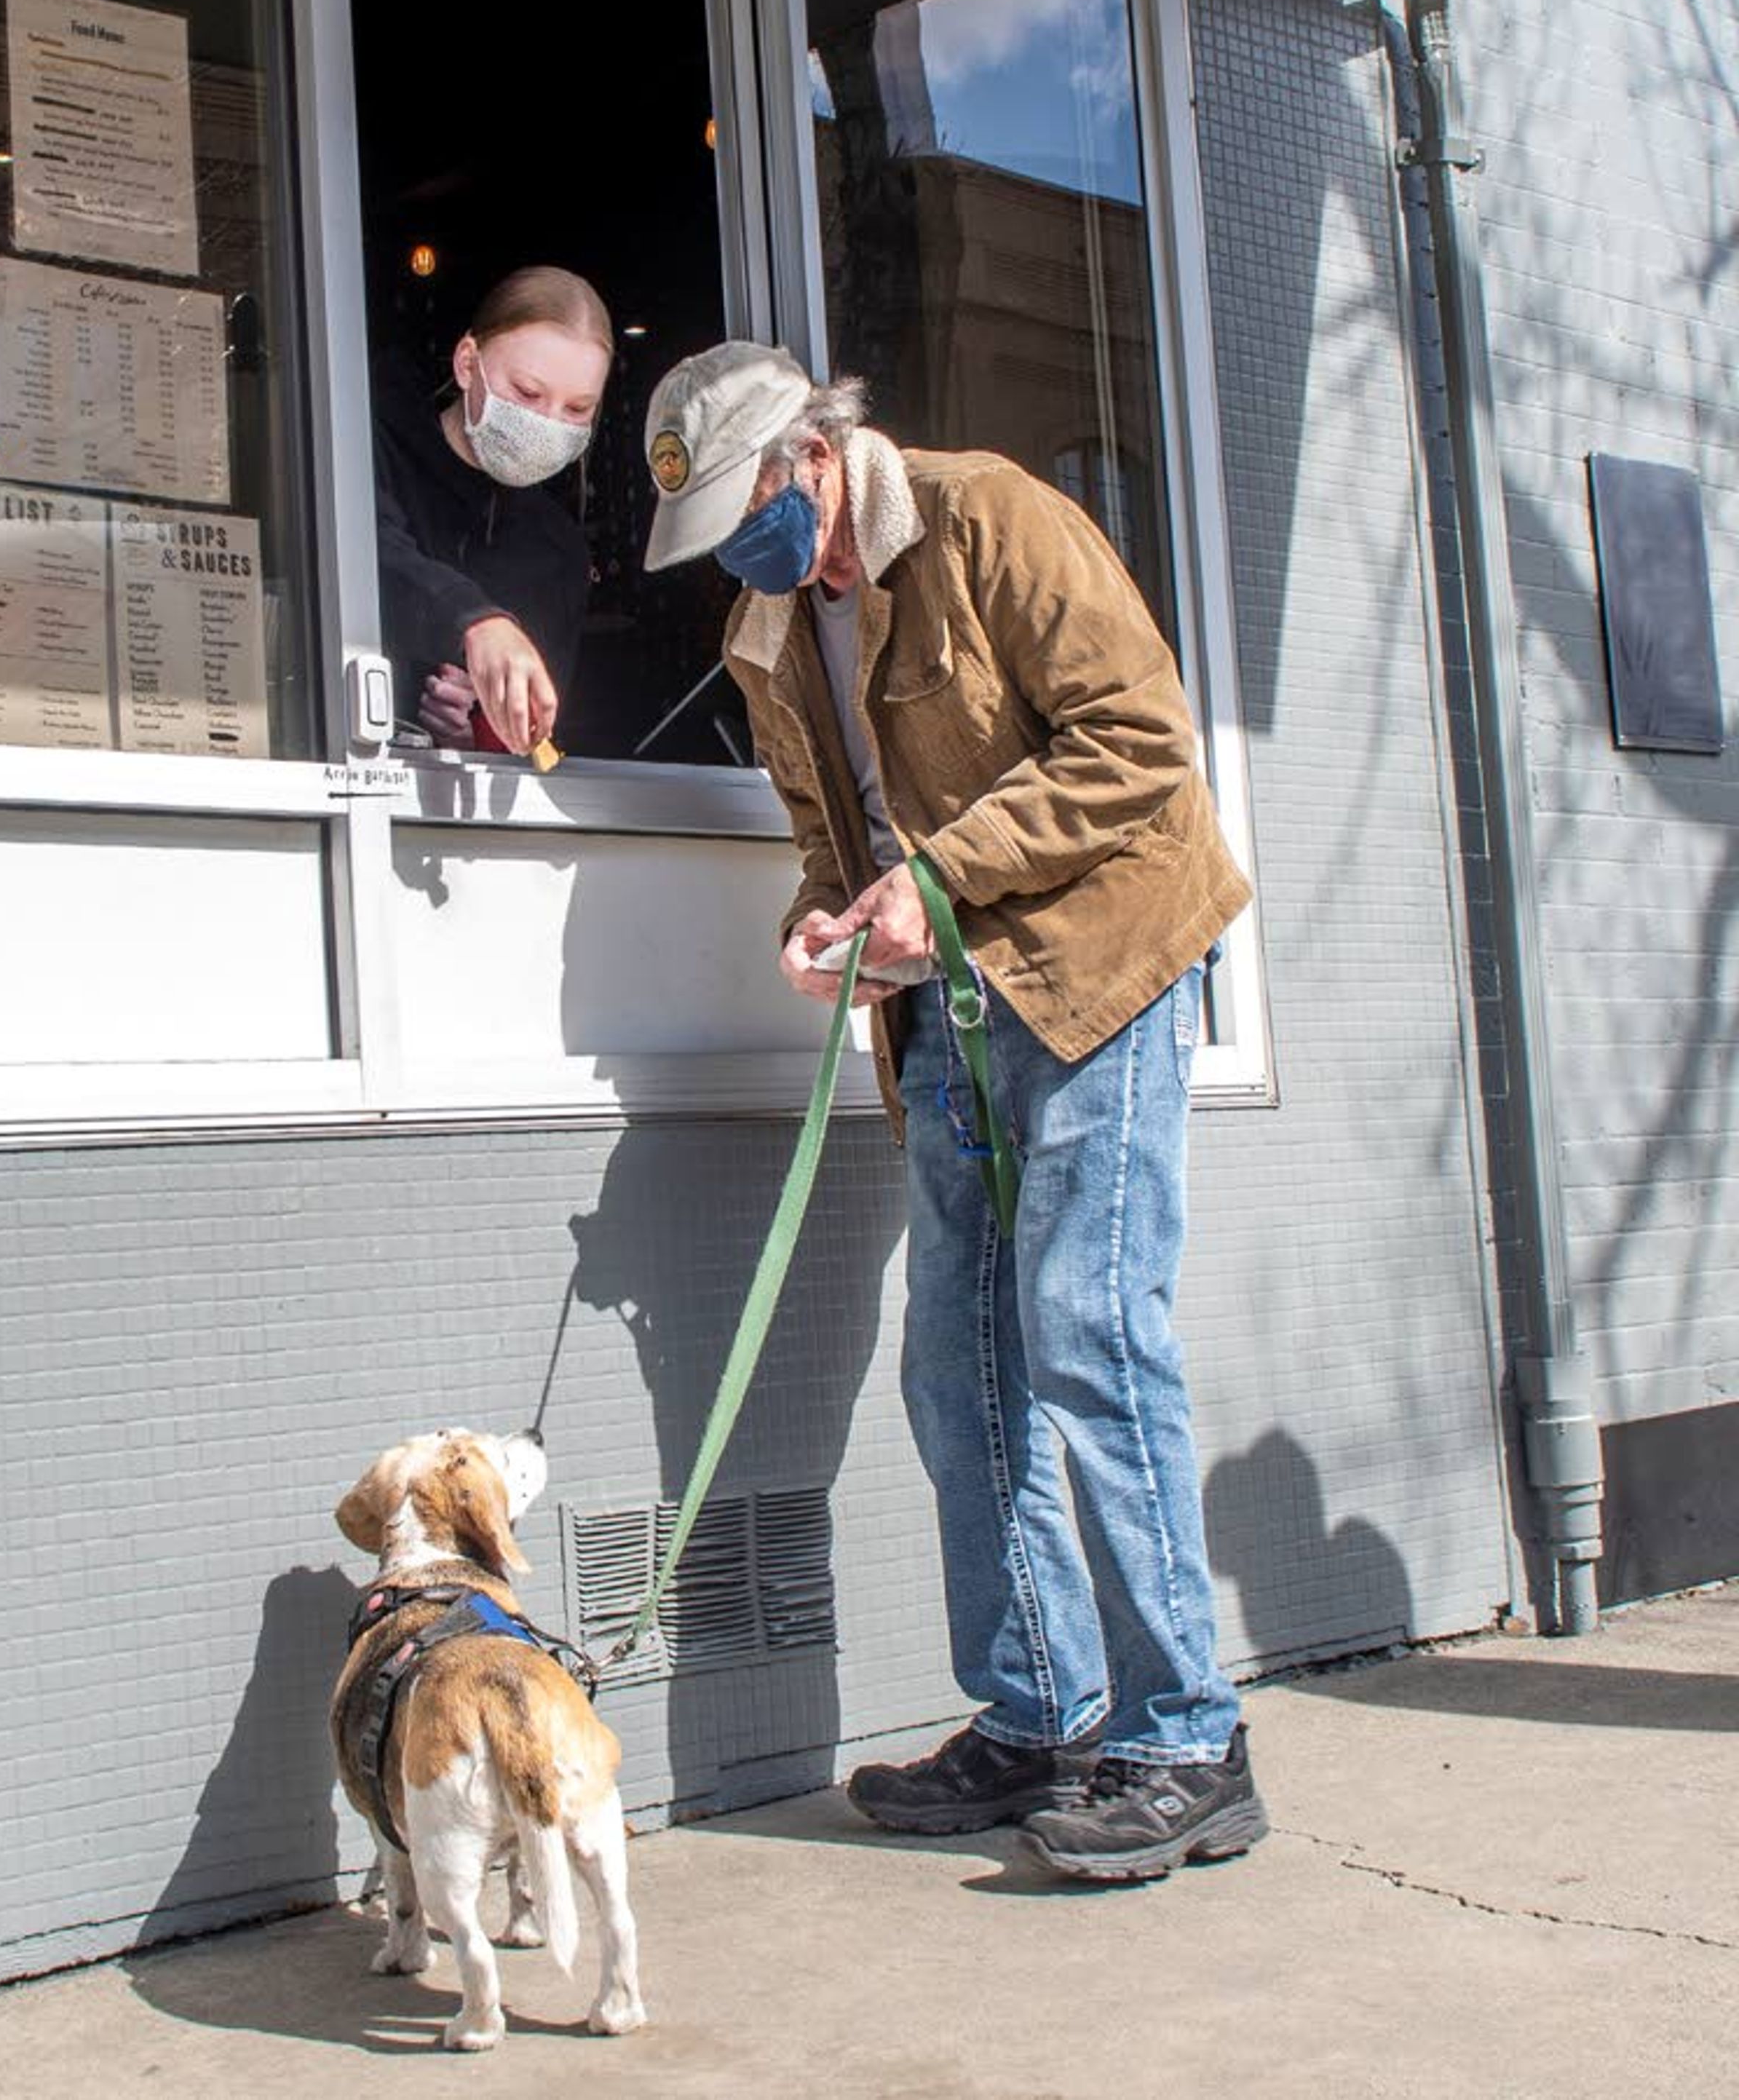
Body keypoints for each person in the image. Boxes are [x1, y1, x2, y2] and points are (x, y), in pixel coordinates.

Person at [639, 341, 1265, 1882]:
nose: (740, 548)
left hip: (1105, 969)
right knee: (953, 1361)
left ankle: (1189, 1735)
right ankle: (1037, 1712)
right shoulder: (765, 634)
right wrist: (825, 920)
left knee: (1090, 1330)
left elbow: (1141, 751)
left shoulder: (994, 520)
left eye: (745, 506)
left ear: (810, 457)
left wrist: (932, 884)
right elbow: (824, 829)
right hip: (949, 1006)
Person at [372, 266, 613, 755]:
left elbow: (547, 753)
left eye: (577, 409)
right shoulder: (375, 449)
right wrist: (477, 623)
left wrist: (474, 739)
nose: (546, 422)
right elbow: (370, 553)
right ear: (466, 363)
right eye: (528, 392)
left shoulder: (559, 551)